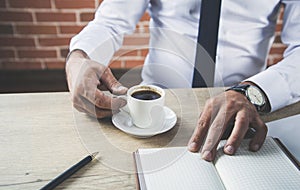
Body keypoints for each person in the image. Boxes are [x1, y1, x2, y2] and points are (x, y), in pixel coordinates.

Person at [65, 0, 300, 162]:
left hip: (242, 110)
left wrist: (250, 93)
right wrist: (79, 57)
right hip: (160, 103)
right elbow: (111, 21)